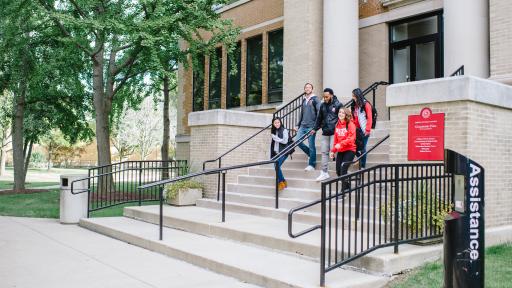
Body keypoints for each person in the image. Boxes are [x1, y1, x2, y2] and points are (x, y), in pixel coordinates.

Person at [312, 88, 343, 181]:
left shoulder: (338, 105)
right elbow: (319, 118)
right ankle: (324, 172)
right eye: (324, 97)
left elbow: (343, 118)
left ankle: (340, 172)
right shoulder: (322, 106)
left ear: (331, 95)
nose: (325, 98)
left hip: (335, 133)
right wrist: (315, 129)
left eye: (327, 97)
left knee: (334, 152)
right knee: (324, 152)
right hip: (325, 132)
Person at [294, 83, 321, 171]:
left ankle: (312, 165)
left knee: (311, 145)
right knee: (297, 141)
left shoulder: (315, 99)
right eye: (306, 87)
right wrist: (298, 125)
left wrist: (315, 127)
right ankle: (310, 154)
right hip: (302, 126)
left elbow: (319, 113)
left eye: (309, 87)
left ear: (312, 89)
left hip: (311, 127)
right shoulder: (304, 100)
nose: (307, 88)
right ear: (304, 89)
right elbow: (301, 114)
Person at [330, 108, 356, 192]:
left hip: (350, 150)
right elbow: (335, 140)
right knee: (338, 171)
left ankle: (343, 190)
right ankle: (347, 185)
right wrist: (333, 151)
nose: (340, 114)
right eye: (339, 112)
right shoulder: (337, 125)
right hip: (341, 150)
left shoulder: (350, 124)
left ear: (346, 115)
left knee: (343, 168)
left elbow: (351, 139)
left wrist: (341, 144)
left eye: (342, 113)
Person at [351, 88, 372, 169]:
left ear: (357, 95)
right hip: (356, 130)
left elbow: (369, 117)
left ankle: (362, 166)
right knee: (353, 147)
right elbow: (353, 118)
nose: (352, 97)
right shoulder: (354, 105)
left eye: (354, 96)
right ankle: (360, 159)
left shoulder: (366, 104)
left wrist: (367, 130)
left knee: (363, 148)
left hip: (364, 130)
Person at [270, 117, 290, 191]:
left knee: (277, 166)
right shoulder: (274, 131)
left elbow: (285, 141)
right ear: (273, 124)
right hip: (277, 152)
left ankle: (281, 182)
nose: (277, 124)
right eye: (275, 123)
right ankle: (283, 181)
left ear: (280, 122)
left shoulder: (284, 130)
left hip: (284, 151)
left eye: (278, 122)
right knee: (276, 166)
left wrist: (276, 138)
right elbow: (274, 143)